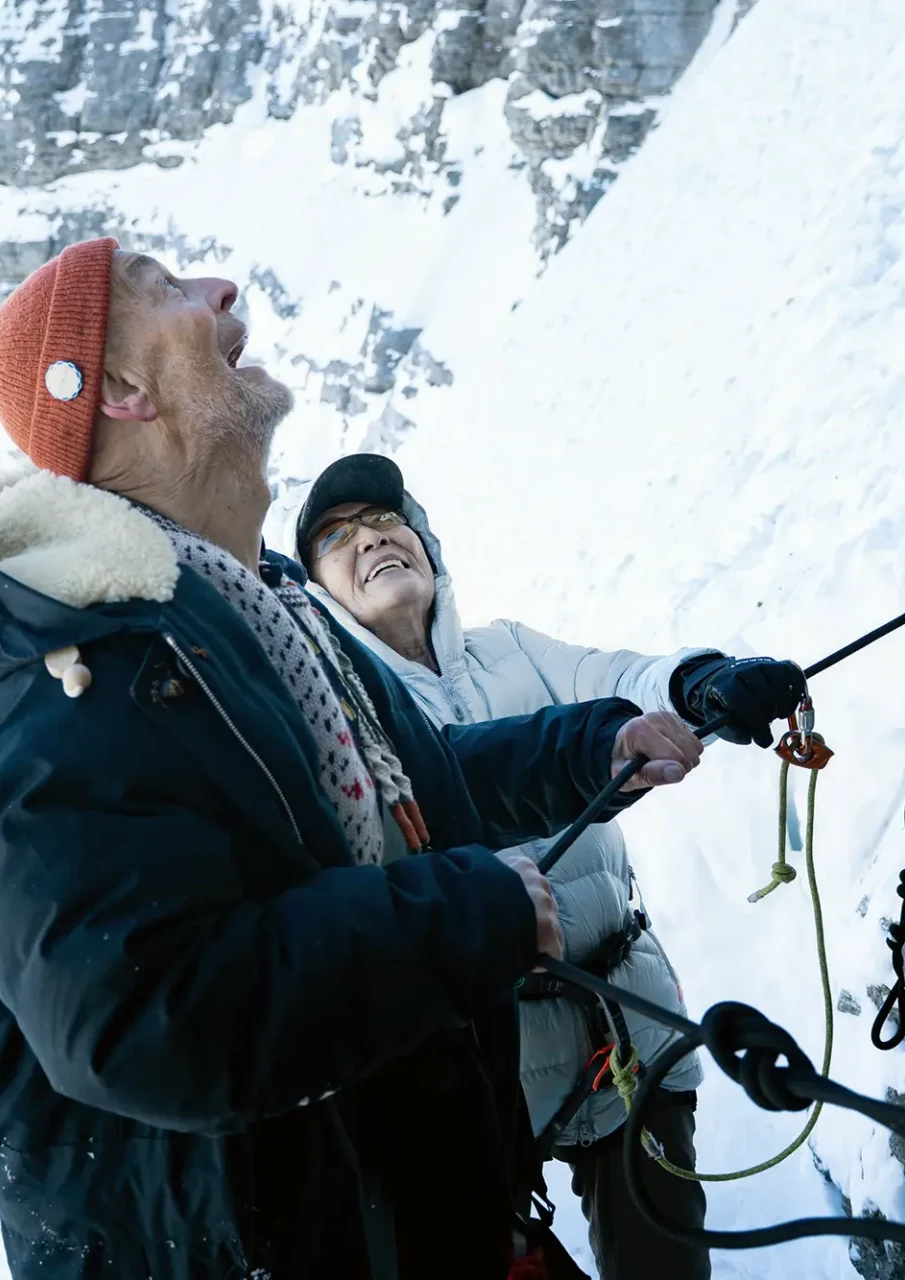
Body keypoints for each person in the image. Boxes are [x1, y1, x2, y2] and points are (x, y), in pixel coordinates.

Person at [0, 238, 709, 1280]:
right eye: (166, 290)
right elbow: (145, 1012)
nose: (222, 289)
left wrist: (597, 743)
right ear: (117, 389)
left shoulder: (261, 619)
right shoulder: (67, 688)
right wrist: (464, 916)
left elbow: (415, 790)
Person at [296, 453, 807, 1280]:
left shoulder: (514, 650)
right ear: (317, 590)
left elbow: (621, 680)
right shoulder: (337, 718)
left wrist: (700, 685)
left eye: (388, 520)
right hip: (487, 1076)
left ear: (426, 545)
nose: (373, 538)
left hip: (628, 1025)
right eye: (338, 536)